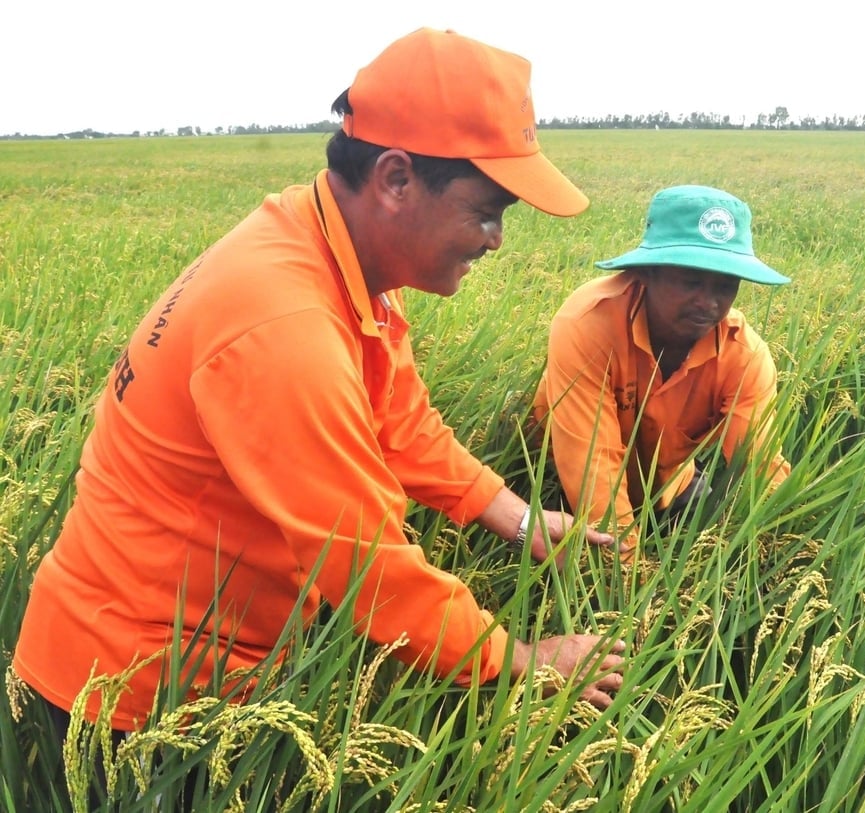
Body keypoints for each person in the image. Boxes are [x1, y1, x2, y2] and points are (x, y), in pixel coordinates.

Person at [13, 27, 629, 753]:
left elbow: (399, 417)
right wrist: (519, 660)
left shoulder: (329, 252)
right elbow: (364, 565)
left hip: (203, 665)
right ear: (396, 179)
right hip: (123, 697)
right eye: (486, 211)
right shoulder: (285, 325)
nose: (496, 240)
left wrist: (521, 518)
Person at [532, 185, 793, 553]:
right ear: (647, 273)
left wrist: (787, 539)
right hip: (561, 469)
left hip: (667, 483)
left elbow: (760, 466)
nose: (708, 301)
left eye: (725, 285)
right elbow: (593, 468)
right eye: (690, 281)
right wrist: (626, 580)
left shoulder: (745, 357)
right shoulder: (588, 323)